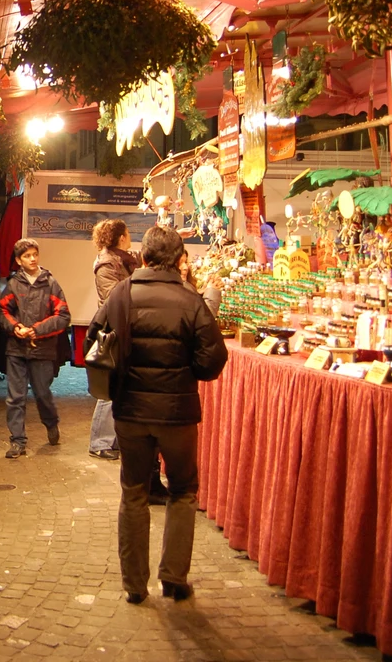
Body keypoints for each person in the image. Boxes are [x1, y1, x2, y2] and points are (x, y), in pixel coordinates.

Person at [86, 226, 228, 605]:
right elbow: (213, 360)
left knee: (133, 492)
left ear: (144, 258)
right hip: (178, 415)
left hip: (130, 412)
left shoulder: (121, 293)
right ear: (179, 259)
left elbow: (93, 342)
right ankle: (174, 578)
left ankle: (134, 584)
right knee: (182, 492)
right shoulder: (191, 300)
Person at [0, 238, 71, 458]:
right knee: (15, 397)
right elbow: (2, 311)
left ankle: (51, 423)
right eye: (27, 256)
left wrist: (36, 330)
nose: (32, 259)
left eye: (34, 254)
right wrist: (16, 327)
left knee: (42, 394)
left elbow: (63, 315)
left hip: (43, 349)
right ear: (19, 260)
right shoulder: (13, 284)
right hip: (16, 350)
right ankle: (17, 441)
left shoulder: (51, 283)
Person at [89, 219, 139, 461]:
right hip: (113, 331)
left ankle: (114, 440)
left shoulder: (123, 259)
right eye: (128, 233)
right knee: (109, 389)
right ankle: (99, 442)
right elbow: (112, 297)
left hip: (124, 328)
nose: (130, 237)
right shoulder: (107, 263)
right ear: (121, 237)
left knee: (120, 388)